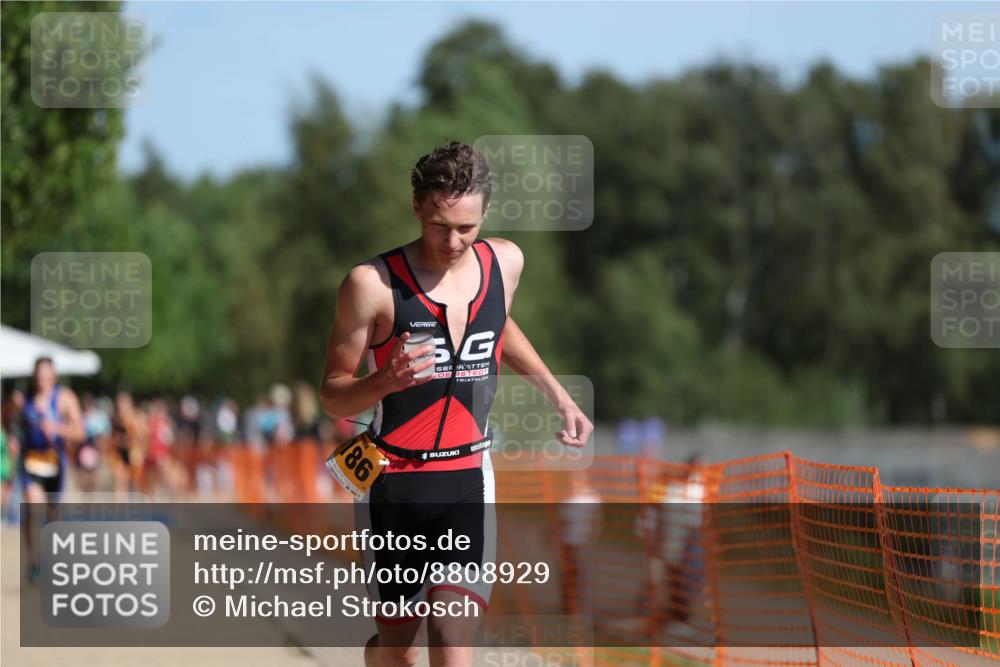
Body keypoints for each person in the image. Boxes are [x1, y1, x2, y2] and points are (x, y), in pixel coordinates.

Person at [320, 141, 593, 667]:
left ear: (486, 212)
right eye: (439, 226)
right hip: (390, 483)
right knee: (399, 653)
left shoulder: (505, 262)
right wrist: (385, 381)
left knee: (450, 635)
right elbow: (332, 392)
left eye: (467, 228)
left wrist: (560, 396)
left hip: (468, 478)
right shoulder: (371, 285)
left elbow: (498, 325)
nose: (452, 242)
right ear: (417, 207)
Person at [18, 357, 84, 582]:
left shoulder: (65, 398)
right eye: (39, 376)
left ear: (53, 376)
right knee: (32, 506)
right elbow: (13, 421)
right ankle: (34, 562)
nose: (42, 380)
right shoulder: (25, 399)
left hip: (56, 463)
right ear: (34, 376)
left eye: (46, 375)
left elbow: (80, 432)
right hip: (32, 462)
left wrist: (57, 428)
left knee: (53, 515)